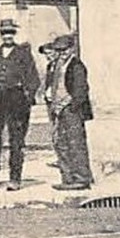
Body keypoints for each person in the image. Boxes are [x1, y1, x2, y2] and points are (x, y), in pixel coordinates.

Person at [0, 18, 42, 191]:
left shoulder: (23, 53)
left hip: (16, 100)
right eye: (4, 33)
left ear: (14, 34)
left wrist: (27, 97)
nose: (7, 36)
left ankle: (15, 178)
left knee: (16, 140)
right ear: (0, 35)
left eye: (10, 32)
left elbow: (33, 78)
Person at [42, 34, 95, 189]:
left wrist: (67, 105)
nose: (62, 53)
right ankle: (68, 178)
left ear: (72, 49)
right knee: (61, 144)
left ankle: (82, 179)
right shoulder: (57, 65)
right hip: (59, 110)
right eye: (59, 50)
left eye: (65, 49)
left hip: (72, 111)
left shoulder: (76, 66)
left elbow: (80, 91)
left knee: (75, 144)